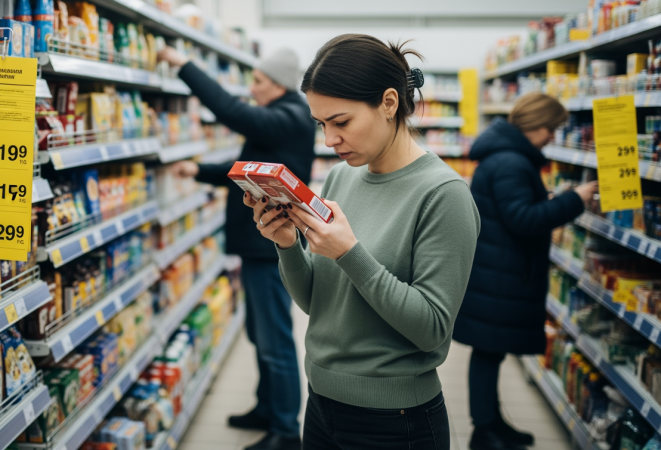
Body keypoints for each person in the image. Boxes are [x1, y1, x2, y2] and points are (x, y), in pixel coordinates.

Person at [246, 34, 480, 450]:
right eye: (321, 124)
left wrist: (349, 253)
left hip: (396, 423)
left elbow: (431, 329)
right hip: (320, 405)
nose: (329, 140)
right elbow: (319, 305)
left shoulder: (443, 195)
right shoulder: (341, 178)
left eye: (341, 122)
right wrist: (286, 245)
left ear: (389, 103)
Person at [157, 46, 315, 450]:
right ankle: (266, 408)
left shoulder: (289, 116)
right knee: (260, 335)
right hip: (259, 245)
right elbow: (247, 169)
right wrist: (200, 171)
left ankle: (283, 431)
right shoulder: (281, 120)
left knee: (275, 340)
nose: (252, 87)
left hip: (271, 248)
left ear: (277, 85)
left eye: (258, 81)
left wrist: (184, 66)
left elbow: (232, 112)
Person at [452, 93, 599, 450]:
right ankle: (484, 430)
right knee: (488, 352)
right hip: (500, 275)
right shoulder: (511, 162)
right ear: (535, 124)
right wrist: (574, 200)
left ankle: (493, 422)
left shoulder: (504, 156)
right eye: (551, 128)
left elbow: (512, 210)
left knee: (491, 352)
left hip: (497, 272)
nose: (553, 136)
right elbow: (523, 219)